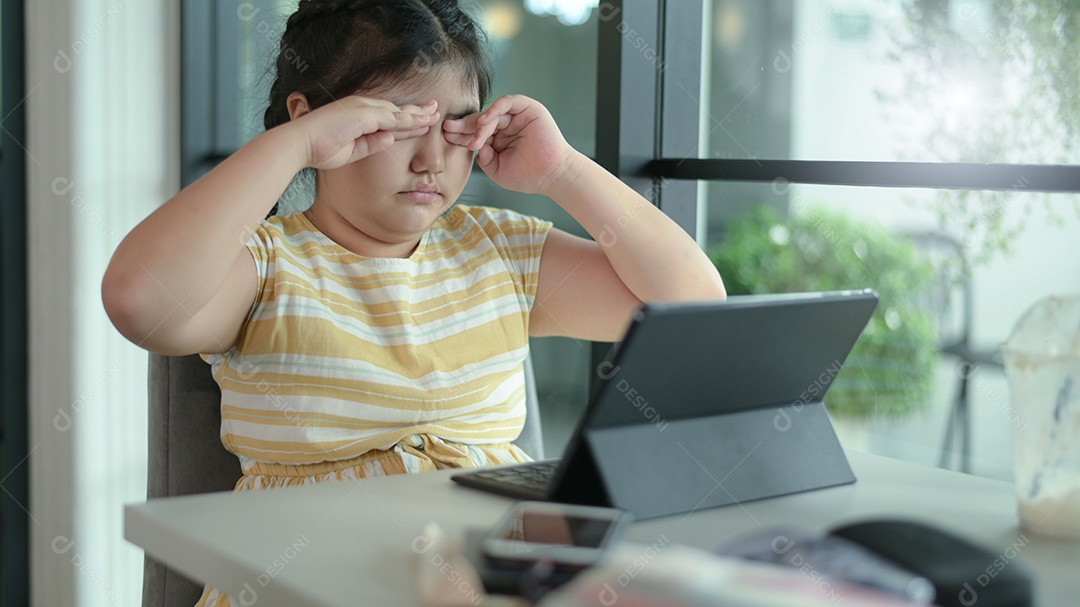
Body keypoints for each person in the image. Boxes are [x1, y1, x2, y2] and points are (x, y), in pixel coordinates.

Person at [103, 1, 724, 605]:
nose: (431, 160)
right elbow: (138, 300)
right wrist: (293, 145)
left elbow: (693, 306)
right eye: (396, 125)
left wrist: (562, 170)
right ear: (312, 121)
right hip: (309, 576)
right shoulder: (265, 265)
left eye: (455, 129)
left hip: (489, 572)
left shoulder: (499, 250)